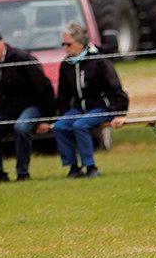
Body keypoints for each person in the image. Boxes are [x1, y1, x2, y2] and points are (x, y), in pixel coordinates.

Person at [0, 28, 55, 183]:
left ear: (2, 44)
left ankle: (22, 173)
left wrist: (46, 117)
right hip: (3, 109)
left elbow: (45, 88)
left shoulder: (22, 58)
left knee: (20, 128)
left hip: (30, 106)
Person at [52, 22, 128, 178]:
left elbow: (115, 87)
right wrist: (63, 115)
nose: (65, 48)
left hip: (102, 107)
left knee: (80, 125)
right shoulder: (66, 65)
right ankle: (73, 167)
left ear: (80, 43)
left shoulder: (99, 61)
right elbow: (64, 95)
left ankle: (91, 167)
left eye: (68, 44)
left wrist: (120, 113)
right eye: (63, 44)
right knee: (60, 127)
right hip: (80, 108)